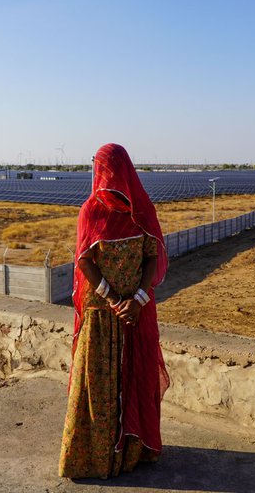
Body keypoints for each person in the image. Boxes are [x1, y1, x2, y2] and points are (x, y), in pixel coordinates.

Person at [59, 143, 169, 479]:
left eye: (100, 167)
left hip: (135, 315)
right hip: (105, 317)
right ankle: (97, 456)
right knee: (99, 387)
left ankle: (134, 451)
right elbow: (84, 260)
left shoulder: (140, 209)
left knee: (137, 379)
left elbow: (152, 254)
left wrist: (137, 300)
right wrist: (114, 299)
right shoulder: (91, 210)